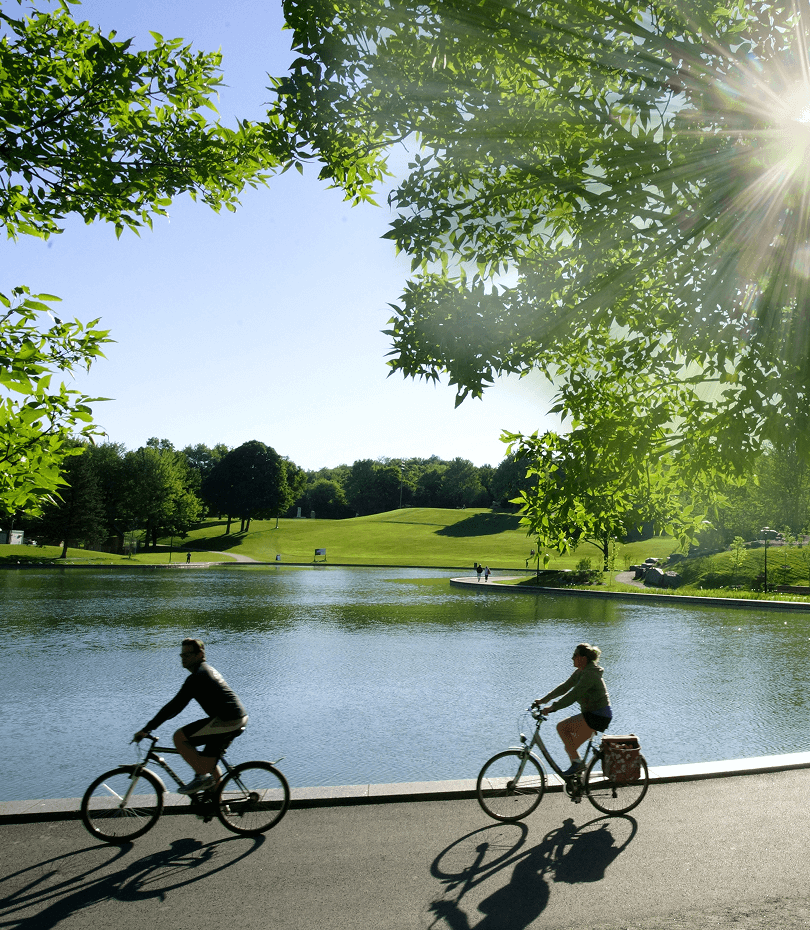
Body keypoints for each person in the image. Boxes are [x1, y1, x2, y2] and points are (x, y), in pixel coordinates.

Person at [134, 638, 248, 795]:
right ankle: (217, 803)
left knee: (179, 737)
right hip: (230, 719)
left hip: (229, 721)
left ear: (200, 654)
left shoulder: (198, 677)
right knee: (205, 762)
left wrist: (147, 729)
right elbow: (175, 707)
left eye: (187, 654)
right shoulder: (203, 671)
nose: (183, 658)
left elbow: (174, 707)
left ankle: (202, 778)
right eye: (181, 655)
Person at [533, 643, 612, 777]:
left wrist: (553, 707)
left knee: (562, 727)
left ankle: (577, 766)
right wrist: (543, 700)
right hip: (591, 714)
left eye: (575, 655)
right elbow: (564, 687)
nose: (572, 658)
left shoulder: (590, 674)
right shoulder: (581, 671)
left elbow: (573, 695)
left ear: (583, 658)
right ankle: (577, 781)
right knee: (570, 747)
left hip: (598, 715)